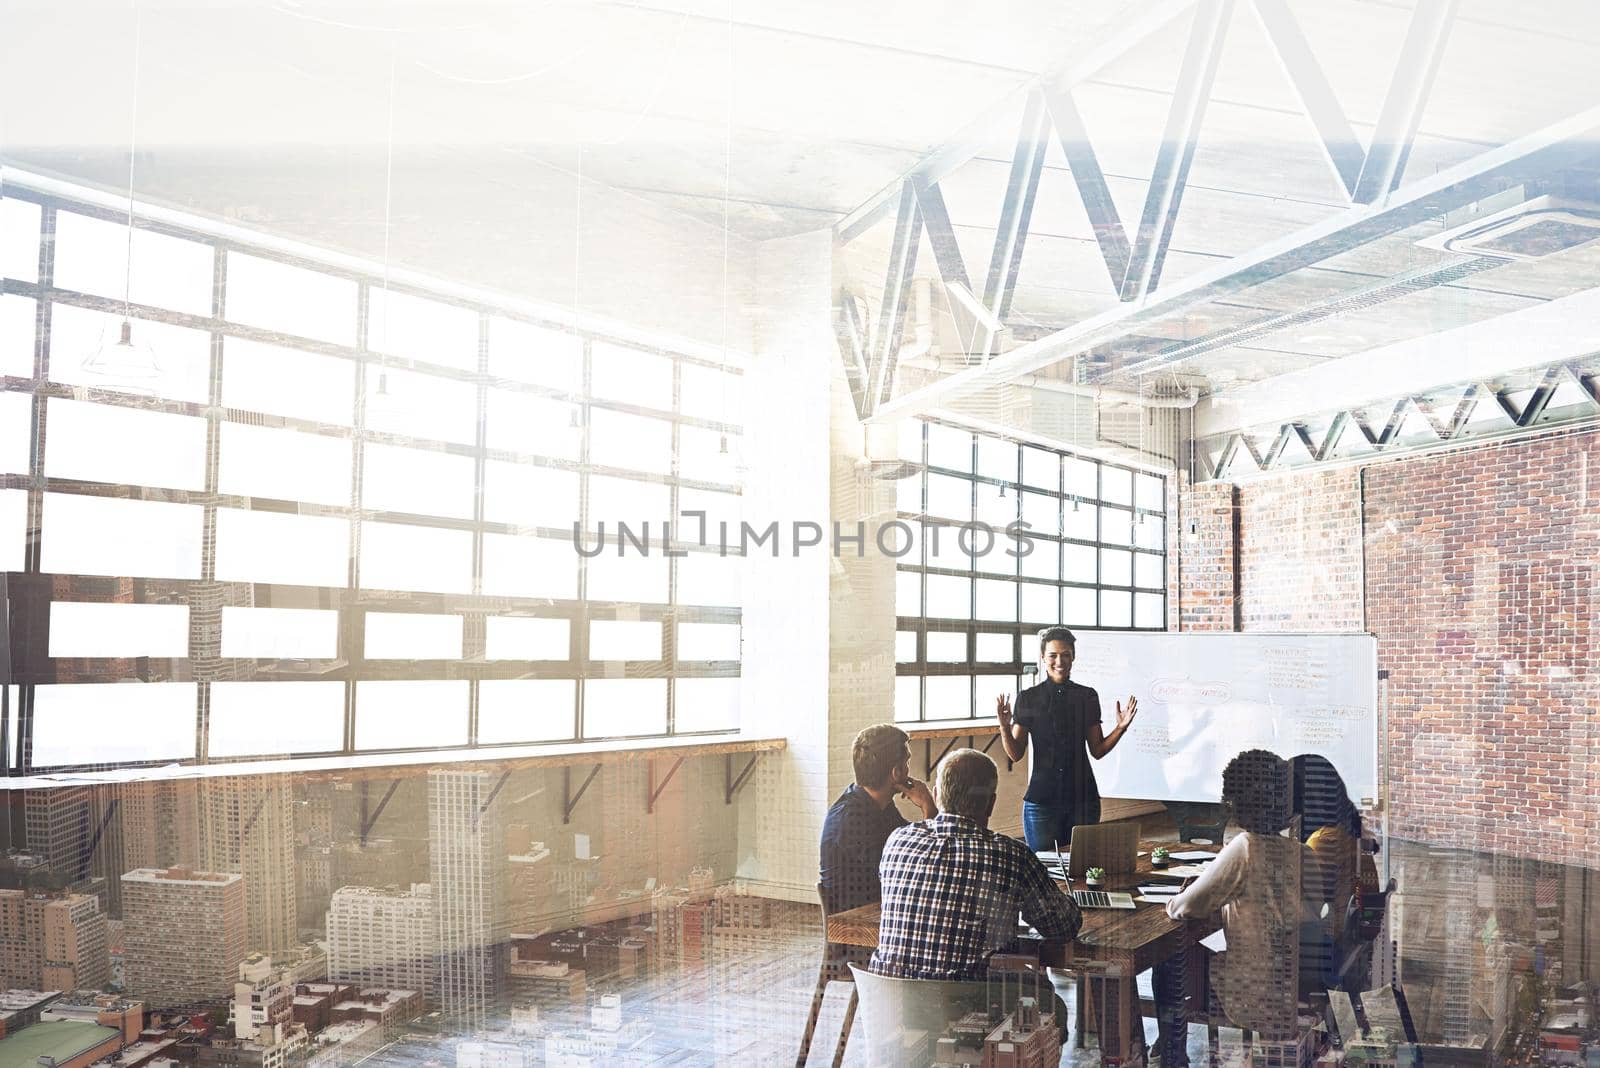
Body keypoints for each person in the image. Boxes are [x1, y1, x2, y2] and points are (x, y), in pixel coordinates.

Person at [1151, 749, 1322, 1066]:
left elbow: (1182, 909)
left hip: (1252, 989)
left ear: (1236, 802)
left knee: (1168, 958)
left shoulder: (1245, 847)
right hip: (1297, 986)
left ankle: (1173, 1058)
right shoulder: (1304, 853)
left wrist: (1187, 894)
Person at [870, 748, 1081, 982]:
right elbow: (1062, 927)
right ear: (990, 804)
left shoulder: (897, 841)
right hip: (972, 1008)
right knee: (1051, 1000)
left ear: (937, 795)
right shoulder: (1011, 855)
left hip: (889, 1006)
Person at [995, 626, 1139, 851]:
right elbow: (1015, 754)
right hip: (1041, 802)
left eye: (1065, 655)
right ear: (1043, 658)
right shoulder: (1028, 698)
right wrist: (1004, 727)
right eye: (1053, 655)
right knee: (1044, 869)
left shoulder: (1087, 696)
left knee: (1084, 866)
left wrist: (1121, 728)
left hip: (1083, 800)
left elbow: (1098, 750)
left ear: (1073, 657)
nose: (1059, 661)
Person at [818, 724, 937, 916]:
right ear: (896, 772)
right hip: (855, 925)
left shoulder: (876, 804)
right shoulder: (850, 817)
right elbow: (914, 865)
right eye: (906, 763)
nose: (908, 769)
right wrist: (928, 808)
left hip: (882, 908)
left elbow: (913, 843)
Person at [1291, 754, 1379, 986]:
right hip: (1350, 935)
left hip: (1331, 948)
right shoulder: (1346, 836)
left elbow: (1306, 900)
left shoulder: (1322, 841)